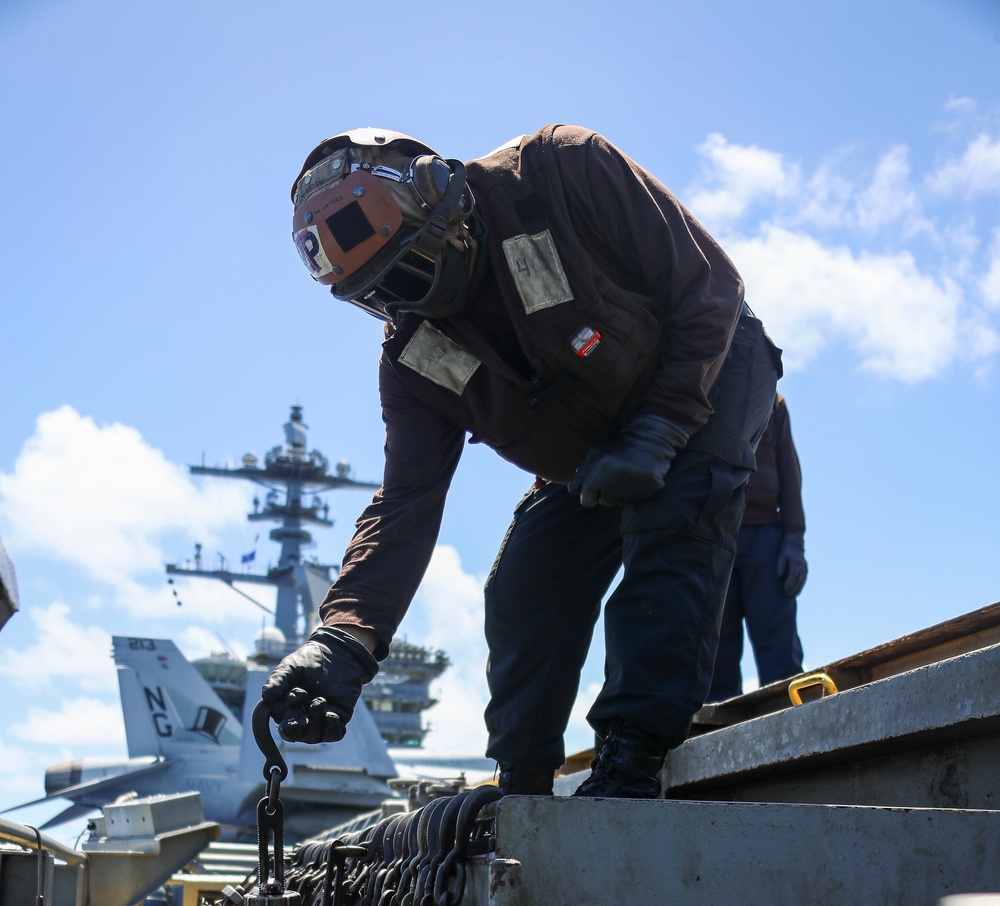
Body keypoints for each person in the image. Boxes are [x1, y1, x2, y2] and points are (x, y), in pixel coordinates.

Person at [261, 125, 780, 797]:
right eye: (380, 297)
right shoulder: (414, 357)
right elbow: (405, 504)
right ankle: (523, 782)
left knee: (674, 526)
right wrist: (343, 640)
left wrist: (659, 429)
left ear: (447, 210)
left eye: (410, 273)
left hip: (708, 370)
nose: (405, 304)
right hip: (594, 450)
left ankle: (631, 760)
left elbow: (709, 286)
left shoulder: (561, 172)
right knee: (524, 584)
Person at [707, 392, 806, 701]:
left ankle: (794, 735)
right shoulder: (702, 379)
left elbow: (790, 472)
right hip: (710, 539)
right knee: (714, 659)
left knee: (781, 660)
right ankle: (717, 740)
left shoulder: (773, 401)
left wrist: (794, 540)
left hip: (766, 540)